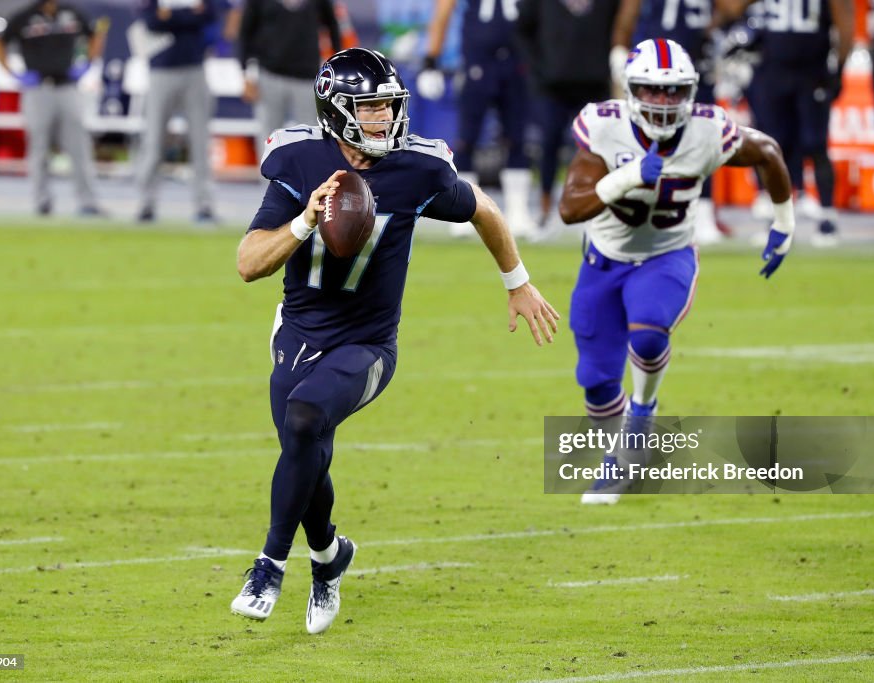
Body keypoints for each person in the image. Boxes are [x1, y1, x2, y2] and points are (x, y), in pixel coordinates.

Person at [230, 48, 559, 631]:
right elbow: (249, 263)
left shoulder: (419, 169)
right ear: (337, 112)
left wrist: (518, 282)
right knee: (305, 450)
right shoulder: (299, 159)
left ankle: (270, 565)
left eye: (388, 105)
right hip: (298, 332)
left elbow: (483, 208)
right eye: (371, 107)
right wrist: (306, 220)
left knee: (307, 420)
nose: (384, 119)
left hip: (368, 343)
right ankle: (330, 557)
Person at [557, 39, 794, 504]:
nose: (664, 104)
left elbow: (767, 151)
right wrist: (628, 177)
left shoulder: (709, 130)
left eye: (674, 92)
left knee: (647, 335)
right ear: (632, 90)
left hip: (668, 254)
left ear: (690, 91)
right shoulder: (604, 127)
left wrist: (784, 224)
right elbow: (570, 209)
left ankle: (639, 425)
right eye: (653, 91)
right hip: (603, 259)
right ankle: (622, 440)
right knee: (596, 380)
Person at [723, 0, 854, 247]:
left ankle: (828, 219)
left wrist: (839, 69)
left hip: (811, 70)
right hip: (773, 70)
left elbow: (845, 22)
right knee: (771, 146)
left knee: (815, 144)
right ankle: (777, 220)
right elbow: (732, 8)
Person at [416, 0, 538, 238]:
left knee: (517, 137)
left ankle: (518, 211)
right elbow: (444, 8)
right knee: (467, 137)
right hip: (478, 58)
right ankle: (460, 208)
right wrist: (431, 59)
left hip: (519, 57)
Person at [611, 0, 729, 245]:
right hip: (655, 67)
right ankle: (627, 207)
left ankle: (700, 212)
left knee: (699, 137)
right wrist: (620, 50)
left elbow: (730, 8)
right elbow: (628, 13)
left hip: (687, 65)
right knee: (639, 136)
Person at [0, 0, 107, 217]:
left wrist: (88, 63)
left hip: (67, 86)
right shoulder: (24, 16)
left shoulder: (71, 12)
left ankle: (88, 202)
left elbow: (97, 32)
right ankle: (42, 201)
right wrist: (13, 73)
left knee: (78, 146)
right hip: (38, 88)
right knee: (39, 147)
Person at [515, 0, 621, 227]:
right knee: (549, 143)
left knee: (601, 146)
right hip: (552, 82)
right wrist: (537, 69)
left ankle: (601, 208)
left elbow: (622, 22)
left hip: (595, 80)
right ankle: (545, 208)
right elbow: (522, 28)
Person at [136, 0, 218, 223]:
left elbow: (209, 15)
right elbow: (150, 21)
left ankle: (204, 204)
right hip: (161, 70)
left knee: (200, 141)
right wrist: (188, 15)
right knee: (154, 140)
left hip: (194, 68)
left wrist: (170, 16)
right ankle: (146, 202)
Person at [237, 0, 341, 161]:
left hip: (307, 76)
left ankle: (310, 186)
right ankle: (269, 186)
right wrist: (246, 73)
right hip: (269, 74)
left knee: (312, 137)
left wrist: (337, 69)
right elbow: (245, 32)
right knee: (269, 137)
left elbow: (333, 26)